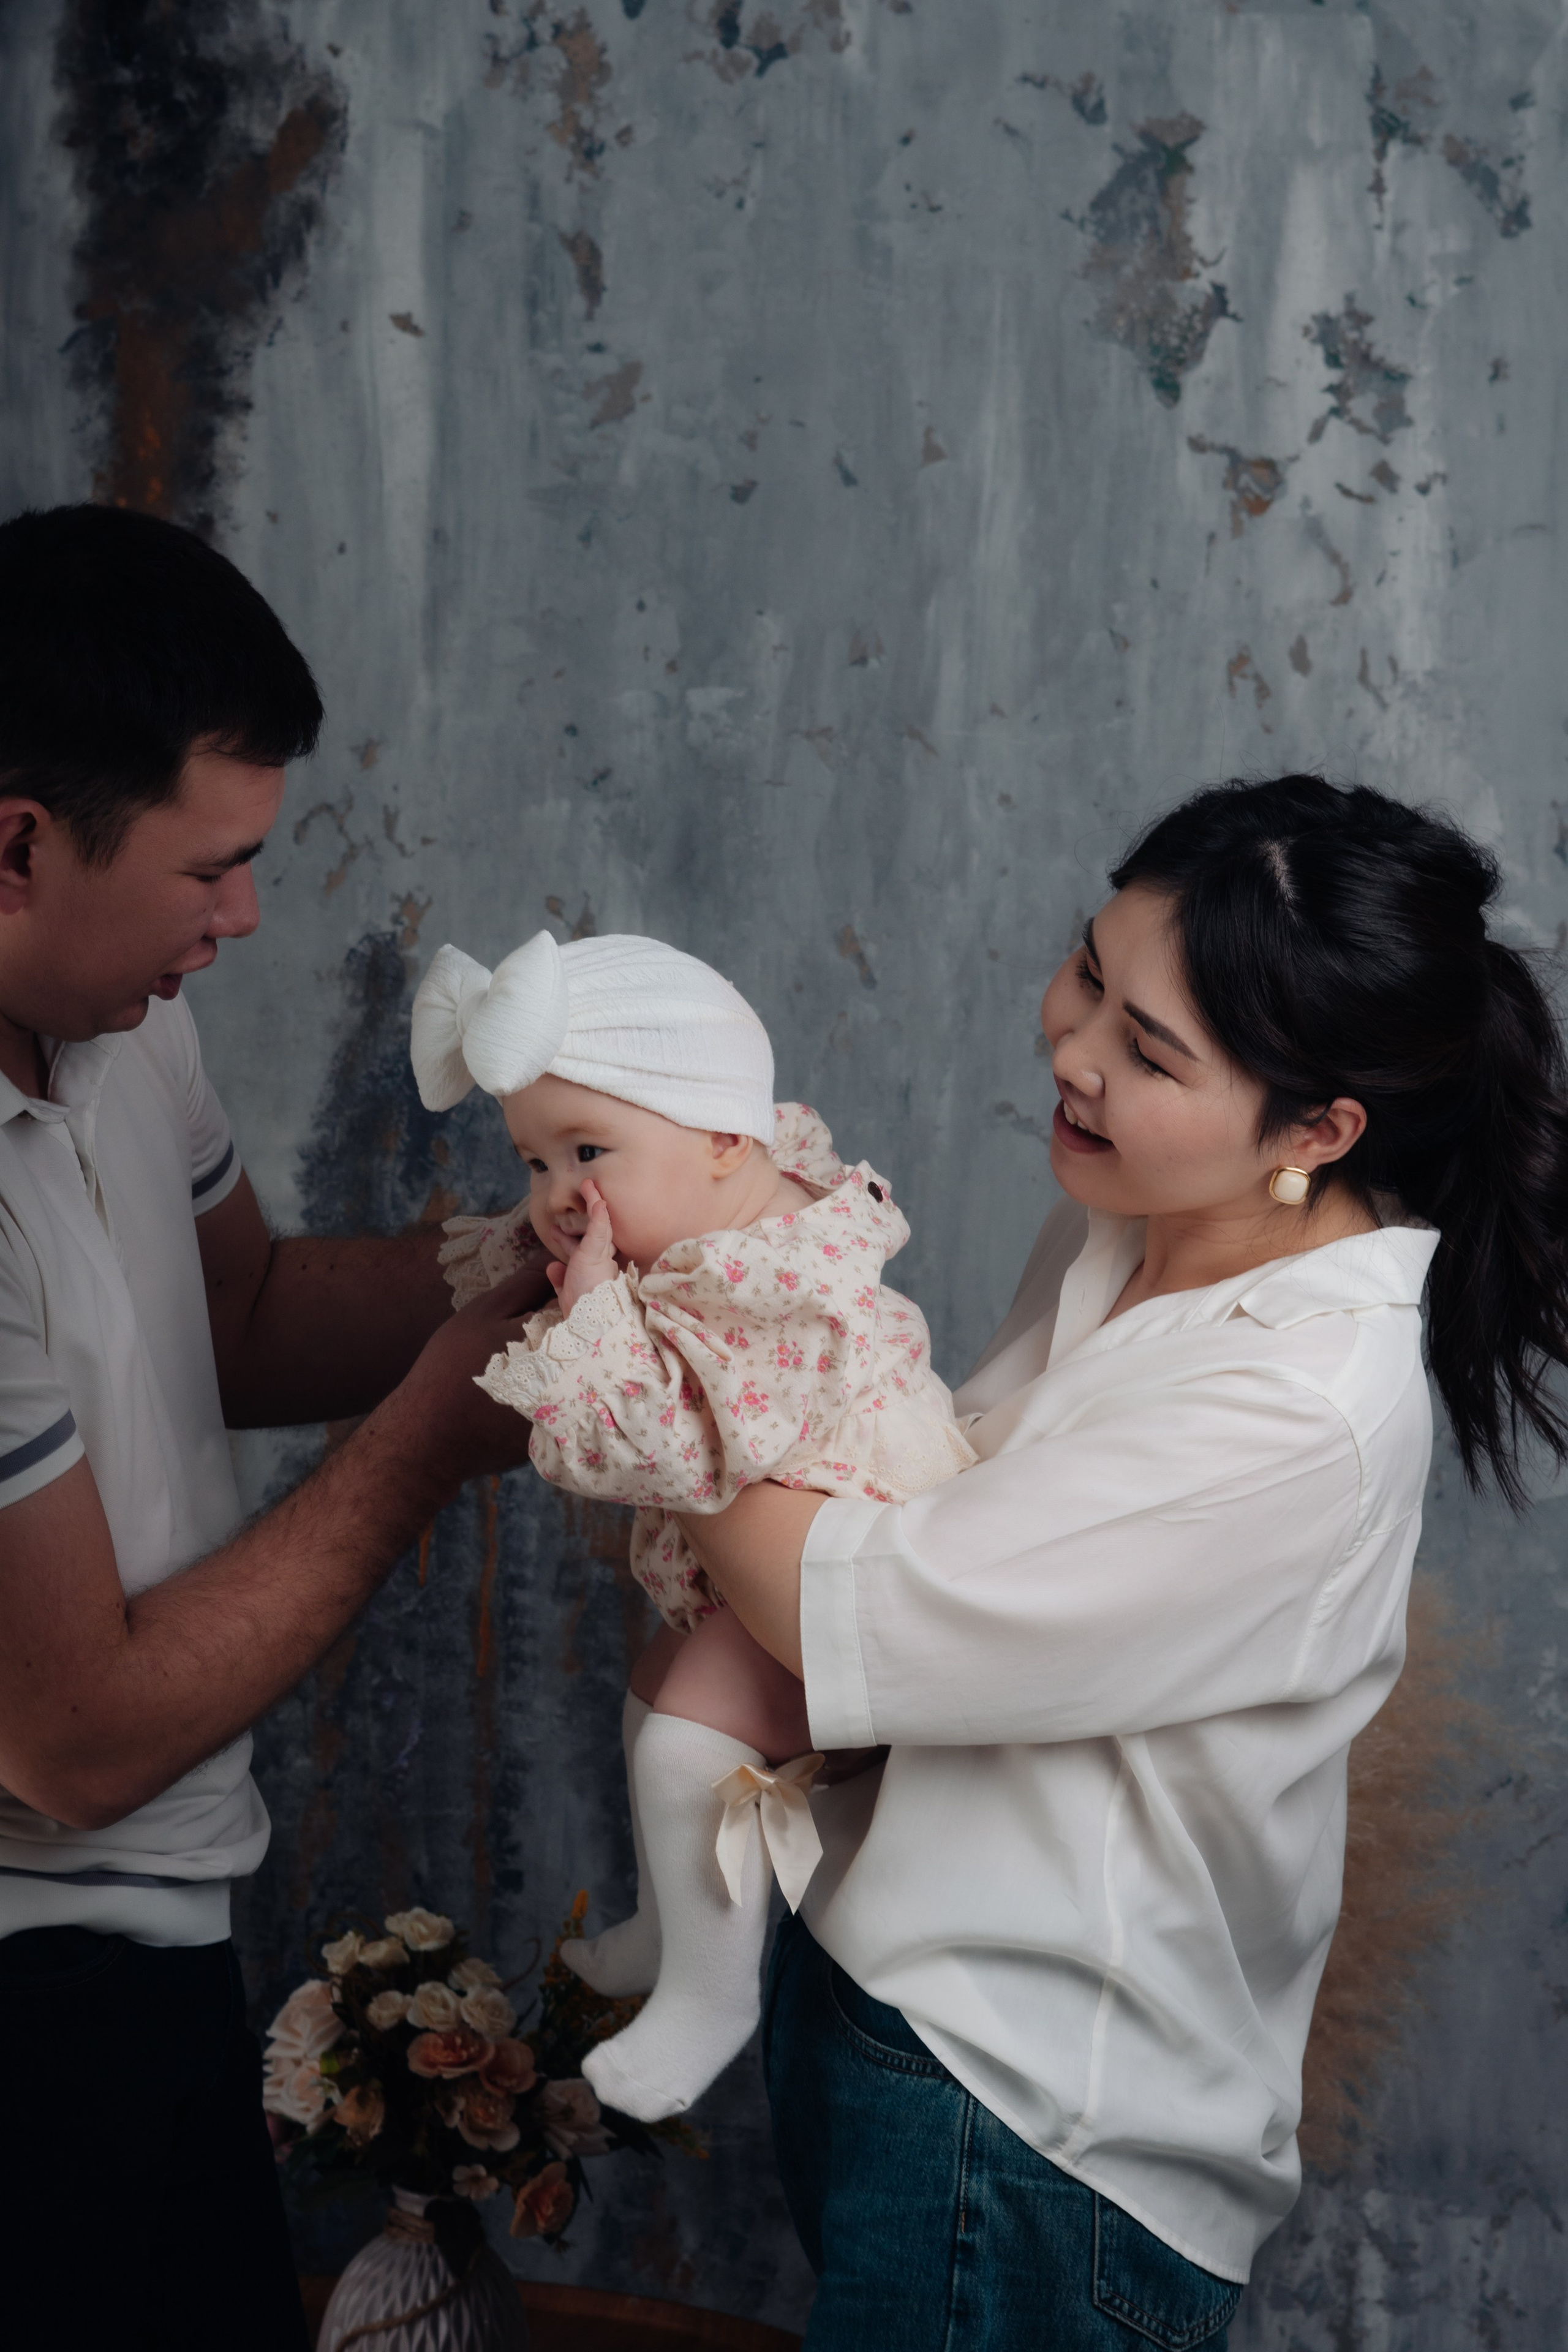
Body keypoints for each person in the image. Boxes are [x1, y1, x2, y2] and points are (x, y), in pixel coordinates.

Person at [672, 775, 1568, 2351]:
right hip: (891, 2000)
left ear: (1315, 1130)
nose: (1070, 1049)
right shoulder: (1130, 1223)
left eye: (1149, 1052)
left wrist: (638, 1355)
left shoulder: (1294, 1407)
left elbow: (847, 1603)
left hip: (1028, 2123)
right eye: (1089, 971)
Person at [0, 505, 547, 2350]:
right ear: (15, 849)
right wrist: (429, 1441)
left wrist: (545, 1255)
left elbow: (235, 1315)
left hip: (150, 1946)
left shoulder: (115, 1015)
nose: (246, 918)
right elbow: (72, 1741)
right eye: (209, 870)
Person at [407, 927, 974, 2124]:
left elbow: (674, 1460)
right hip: (778, 1550)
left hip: (852, 1571)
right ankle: (673, 1923)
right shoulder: (716, 1208)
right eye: (534, 1160)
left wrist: (600, 1320)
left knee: (682, 1748)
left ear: (724, 1138)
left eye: (588, 1150)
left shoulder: (764, 1284)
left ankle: (713, 1994)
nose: (562, 1195)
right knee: (654, 1687)